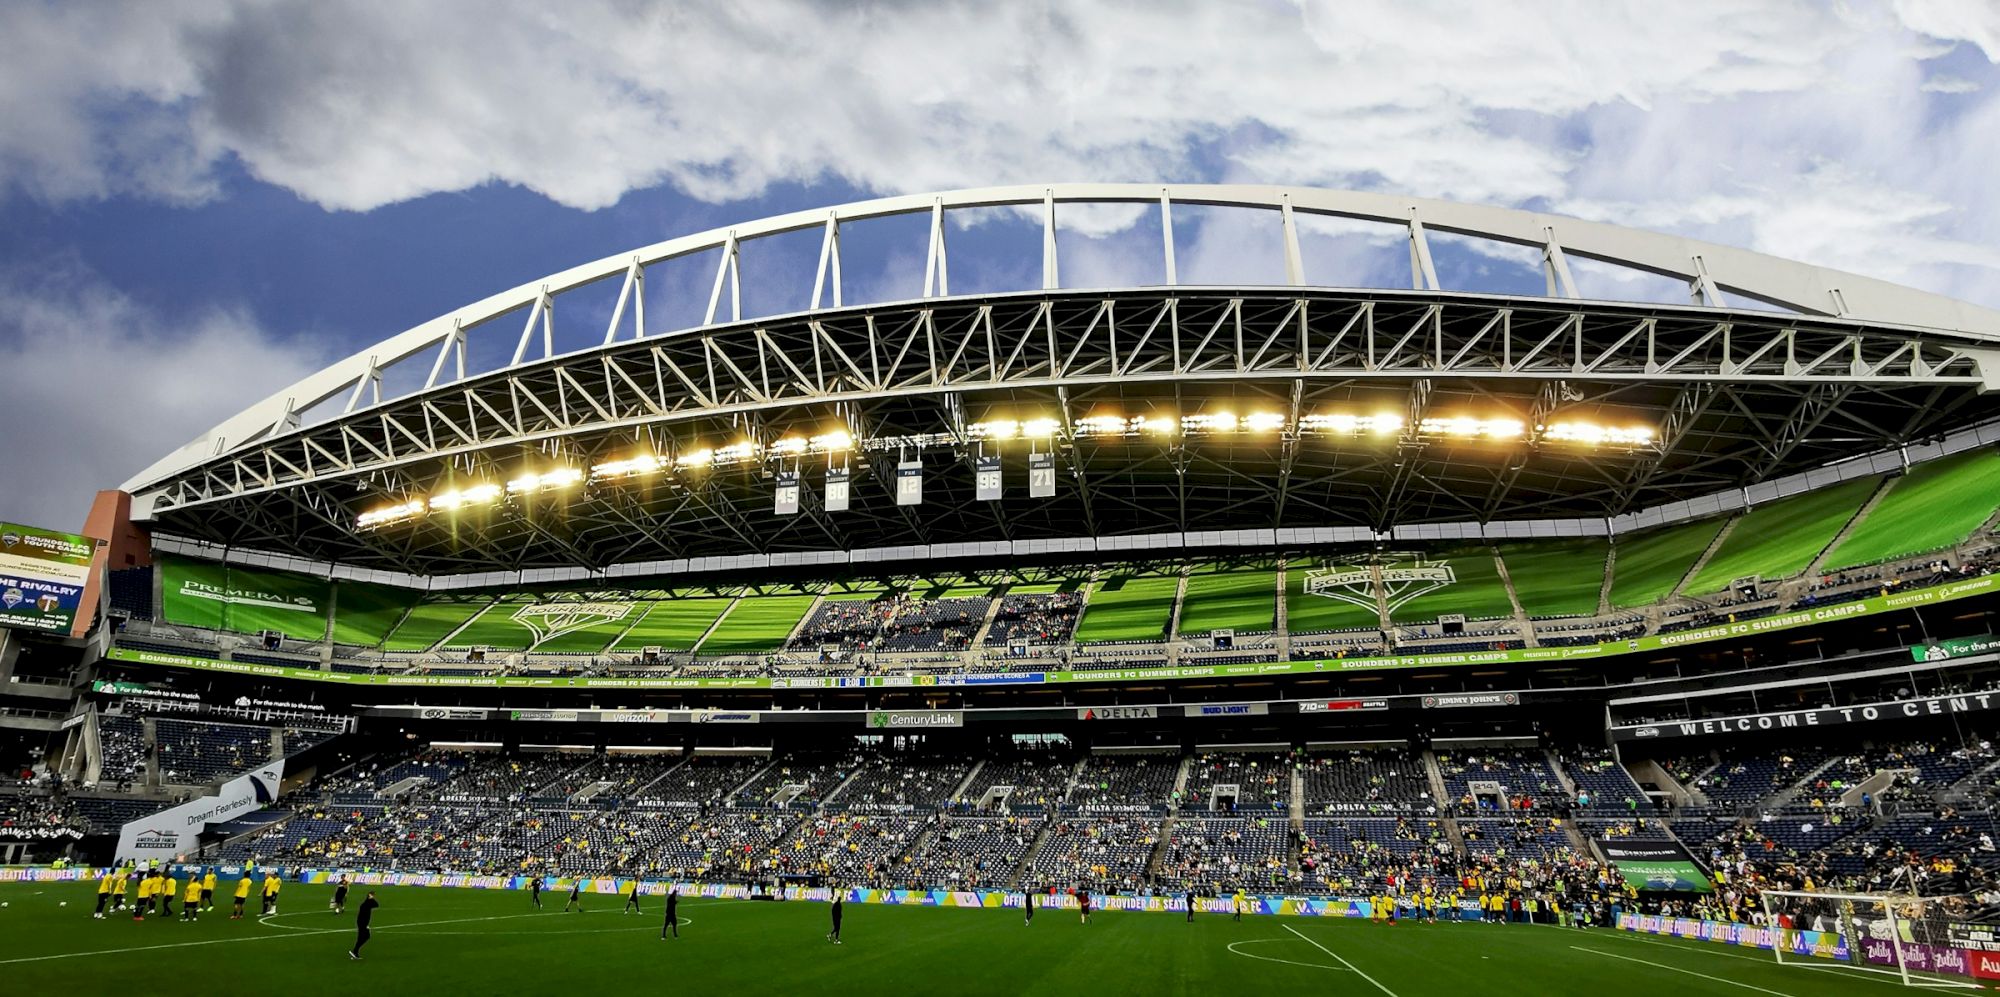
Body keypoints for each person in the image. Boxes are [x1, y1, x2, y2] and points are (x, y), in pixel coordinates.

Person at [349, 892, 378, 961]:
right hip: (362, 923)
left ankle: (355, 953)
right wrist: (371, 898)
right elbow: (376, 905)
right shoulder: (366, 904)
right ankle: (354, 951)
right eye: (372, 896)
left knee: (361, 937)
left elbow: (376, 905)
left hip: (362, 923)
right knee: (366, 936)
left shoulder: (366, 903)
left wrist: (370, 898)